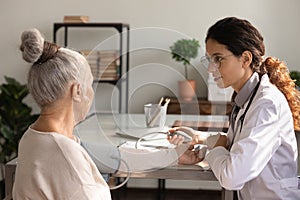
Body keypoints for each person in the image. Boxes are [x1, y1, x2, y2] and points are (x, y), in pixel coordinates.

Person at [13, 28, 202, 199]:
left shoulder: (33, 138)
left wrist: (172, 155)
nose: (91, 92)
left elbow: (113, 157)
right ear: (77, 91)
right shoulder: (68, 158)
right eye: (90, 84)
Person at [169, 17, 300, 199]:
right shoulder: (245, 98)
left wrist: (213, 147)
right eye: (209, 60)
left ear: (245, 58)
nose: (210, 69)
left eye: (218, 59)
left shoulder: (266, 105)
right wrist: (200, 143)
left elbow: (232, 177)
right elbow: (237, 149)